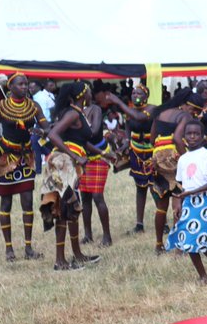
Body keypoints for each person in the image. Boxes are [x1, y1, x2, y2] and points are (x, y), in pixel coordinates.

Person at [0, 73, 48, 259]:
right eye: (20, 84)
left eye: (26, 84)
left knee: (27, 202)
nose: (25, 87)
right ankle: (9, 249)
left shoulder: (33, 107)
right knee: (6, 202)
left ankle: (28, 248)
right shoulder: (0, 107)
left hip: (26, 158)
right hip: (5, 158)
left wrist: (41, 131)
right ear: (10, 87)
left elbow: (48, 127)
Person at [47, 82, 109, 271]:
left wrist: (104, 154)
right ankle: (60, 261)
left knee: (73, 210)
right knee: (63, 211)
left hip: (70, 164)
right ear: (83, 94)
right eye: (89, 91)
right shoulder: (72, 113)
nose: (91, 93)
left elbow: (80, 141)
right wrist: (75, 156)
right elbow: (53, 134)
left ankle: (78, 254)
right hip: (63, 163)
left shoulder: (78, 112)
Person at [167, 121, 207, 284]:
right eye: (189, 133)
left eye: (196, 134)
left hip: (203, 202)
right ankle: (203, 276)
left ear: (203, 137)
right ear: (184, 137)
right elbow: (179, 185)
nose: (192, 137)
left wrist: (193, 192)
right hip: (188, 202)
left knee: (200, 239)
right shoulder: (183, 159)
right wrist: (177, 203)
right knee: (188, 241)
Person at [149, 87, 203, 254]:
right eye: (194, 110)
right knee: (179, 200)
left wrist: (160, 154)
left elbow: (152, 139)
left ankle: (159, 245)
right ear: (186, 105)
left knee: (161, 205)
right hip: (174, 158)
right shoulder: (184, 116)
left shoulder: (161, 112)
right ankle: (179, 246)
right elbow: (177, 138)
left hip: (156, 158)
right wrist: (188, 158)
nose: (193, 114)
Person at [108, 86, 156, 234]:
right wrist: (126, 141)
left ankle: (163, 220)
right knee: (139, 187)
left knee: (155, 187)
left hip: (151, 153)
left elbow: (141, 118)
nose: (136, 95)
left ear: (146, 96)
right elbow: (129, 125)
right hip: (136, 152)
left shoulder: (152, 109)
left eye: (139, 93)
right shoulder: (131, 111)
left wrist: (118, 102)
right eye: (134, 93)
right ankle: (139, 224)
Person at [77, 85, 113, 247]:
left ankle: (107, 236)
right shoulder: (75, 111)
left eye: (90, 91)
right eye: (88, 92)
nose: (90, 94)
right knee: (85, 196)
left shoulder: (95, 109)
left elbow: (95, 131)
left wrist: (76, 131)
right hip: (83, 157)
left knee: (97, 196)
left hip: (98, 155)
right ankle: (88, 234)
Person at [31, 79, 56, 172]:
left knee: (35, 143)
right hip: (47, 123)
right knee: (37, 143)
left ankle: (38, 170)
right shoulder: (45, 96)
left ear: (38, 87)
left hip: (41, 124)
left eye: (32, 87)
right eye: (30, 88)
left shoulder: (39, 97)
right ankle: (49, 154)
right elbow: (53, 109)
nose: (31, 89)